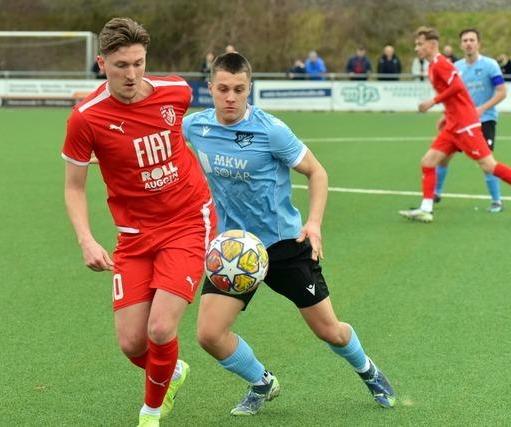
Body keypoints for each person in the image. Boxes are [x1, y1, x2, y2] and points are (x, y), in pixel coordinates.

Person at [183, 52, 396, 417]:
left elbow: (318, 173)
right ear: (209, 89)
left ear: (250, 88)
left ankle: (369, 371)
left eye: (238, 89)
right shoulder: (195, 127)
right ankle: (262, 382)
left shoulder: (271, 131)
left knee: (329, 330)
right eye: (222, 89)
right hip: (235, 252)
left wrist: (313, 223)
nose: (230, 97)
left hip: (284, 245)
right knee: (208, 335)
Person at [61, 17, 216, 427]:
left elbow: (184, 135)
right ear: (101, 63)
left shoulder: (176, 92)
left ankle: (150, 412)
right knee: (132, 342)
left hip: (187, 221)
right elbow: (74, 187)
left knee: (161, 329)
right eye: (120, 66)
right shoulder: (85, 119)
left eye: (138, 63)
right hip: (133, 234)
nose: (131, 74)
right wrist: (86, 240)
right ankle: (171, 372)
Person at [399, 27, 511, 223]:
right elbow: (457, 95)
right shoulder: (433, 66)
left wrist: (433, 102)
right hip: (453, 124)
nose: (416, 48)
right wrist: (447, 114)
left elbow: (458, 87)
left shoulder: (441, 64)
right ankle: (426, 208)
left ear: (432, 45)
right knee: (428, 161)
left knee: (489, 165)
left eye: (420, 44)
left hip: (465, 125)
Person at [434, 28, 507, 213]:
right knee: (442, 157)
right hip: (459, 122)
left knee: (487, 164)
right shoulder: (456, 67)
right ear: (461, 44)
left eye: (472, 40)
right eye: (465, 40)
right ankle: (436, 193)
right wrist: (446, 115)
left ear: (478, 43)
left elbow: (501, 92)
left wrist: (482, 108)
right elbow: (452, 96)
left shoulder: (490, 65)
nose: (468, 43)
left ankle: (497, 201)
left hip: (485, 120)